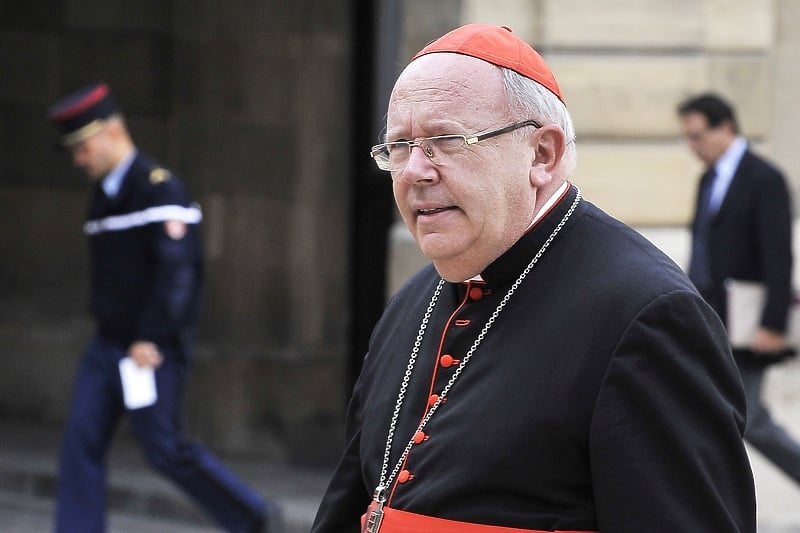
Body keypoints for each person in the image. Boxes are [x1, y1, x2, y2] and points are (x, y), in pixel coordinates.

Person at [312, 24, 756, 533]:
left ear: (541, 154)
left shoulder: (645, 314)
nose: (414, 171)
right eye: (399, 146)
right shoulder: (415, 300)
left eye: (445, 141)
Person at [47, 82, 280, 533]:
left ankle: (251, 516)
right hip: (107, 346)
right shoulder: (103, 195)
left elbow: (178, 274)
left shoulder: (160, 189)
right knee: (80, 443)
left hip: (149, 351)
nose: (78, 159)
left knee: (164, 449)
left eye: (82, 146)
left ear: (112, 131)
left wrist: (151, 338)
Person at [678, 92, 800, 485]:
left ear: (725, 128)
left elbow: (779, 258)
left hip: (749, 322)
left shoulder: (764, 179)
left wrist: (773, 323)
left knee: (749, 418)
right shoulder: (707, 180)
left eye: (697, 136)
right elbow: (701, 248)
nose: (692, 147)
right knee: (705, 413)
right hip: (708, 316)